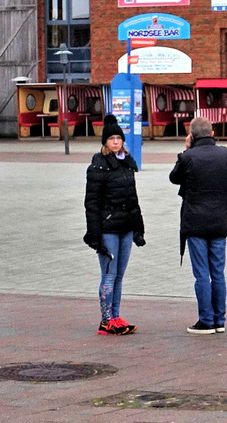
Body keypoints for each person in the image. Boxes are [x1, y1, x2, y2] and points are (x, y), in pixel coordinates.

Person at [170, 116, 227, 333]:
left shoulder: (188, 157)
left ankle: (206, 319)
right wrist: (223, 205)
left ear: (191, 136)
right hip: (219, 221)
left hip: (195, 222)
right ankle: (219, 320)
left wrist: (186, 151)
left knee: (202, 274)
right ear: (212, 133)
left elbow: (174, 178)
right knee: (218, 272)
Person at [84, 115, 145, 334]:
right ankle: (105, 319)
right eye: (112, 138)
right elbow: (91, 203)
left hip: (126, 227)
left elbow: (133, 198)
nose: (116, 142)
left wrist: (139, 228)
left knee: (119, 275)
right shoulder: (98, 166)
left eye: (119, 138)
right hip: (108, 229)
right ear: (105, 142)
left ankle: (116, 316)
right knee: (108, 275)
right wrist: (94, 234)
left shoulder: (127, 163)